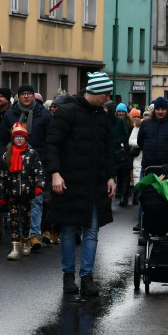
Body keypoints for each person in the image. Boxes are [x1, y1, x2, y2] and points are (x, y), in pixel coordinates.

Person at [45, 72, 116, 297]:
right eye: (106, 94)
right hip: (69, 182)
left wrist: (111, 176)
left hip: (95, 184)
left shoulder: (102, 116)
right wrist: (55, 173)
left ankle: (87, 277)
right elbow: (52, 144)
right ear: (94, 92)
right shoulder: (67, 112)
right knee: (68, 230)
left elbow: (107, 150)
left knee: (92, 231)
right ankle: (68, 276)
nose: (108, 99)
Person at [4, 84, 51, 248]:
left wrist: (45, 159)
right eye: (23, 93)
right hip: (14, 163)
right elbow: (4, 138)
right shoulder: (10, 114)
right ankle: (20, 236)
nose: (26, 96)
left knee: (37, 200)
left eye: (29, 93)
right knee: (17, 204)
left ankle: (34, 235)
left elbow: (49, 139)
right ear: (18, 96)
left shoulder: (43, 114)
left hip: (37, 163)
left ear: (33, 96)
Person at [0, 123, 45, 260]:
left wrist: (39, 186)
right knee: (13, 220)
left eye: (21, 137)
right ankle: (14, 247)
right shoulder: (7, 154)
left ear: (26, 138)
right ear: (12, 139)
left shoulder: (32, 153)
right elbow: (2, 176)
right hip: (11, 192)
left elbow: (39, 171)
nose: (19, 139)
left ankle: (25, 240)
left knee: (26, 218)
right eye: (16, 137)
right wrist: (1, 194)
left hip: (27, 192)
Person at [111, 102, 133, 207]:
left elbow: (128, 136)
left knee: (125, 173)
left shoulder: (130, 124)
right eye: (119, 111)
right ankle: (119, 192)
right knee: (119, 173)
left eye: (122, 111)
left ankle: (124, 195)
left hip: (126, 151)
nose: (120, 113)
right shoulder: (115, 121)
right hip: (117, 151)